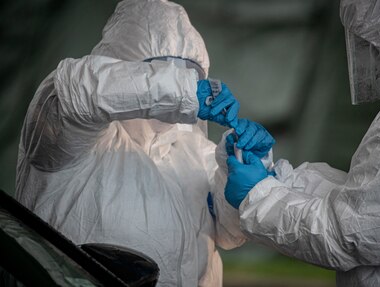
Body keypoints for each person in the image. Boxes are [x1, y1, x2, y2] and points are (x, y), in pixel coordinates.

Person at [15, 0, 275, 286]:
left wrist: (244, 168)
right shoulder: (71, 138)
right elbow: (75, 92)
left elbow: (229, 235)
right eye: (159, 70)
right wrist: (181, 91)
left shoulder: (194, 150)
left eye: (189, 73)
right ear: (120, 66)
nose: (177, 78)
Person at [224, 0, 380, 286]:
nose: (371, 54)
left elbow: (354, 234)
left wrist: (259, 196)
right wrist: (278, 178)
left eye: (373, 39)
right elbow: (379, 199)